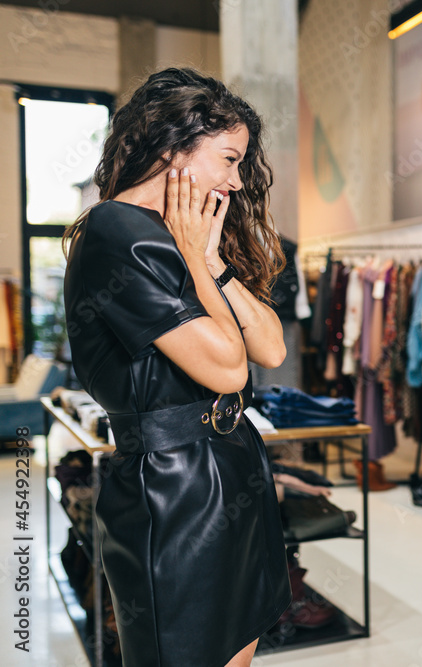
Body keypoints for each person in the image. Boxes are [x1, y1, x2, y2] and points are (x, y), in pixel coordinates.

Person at [62, 68, 291, 667]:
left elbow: (271, 348)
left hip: (230, 466)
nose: (237, 182)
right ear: (172, 148)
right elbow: (228, 369)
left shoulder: (177, 235)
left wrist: (210, 262)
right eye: (229, 160)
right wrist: (194, 253)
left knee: (238, 649)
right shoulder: (116, 229)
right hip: (173, 487)